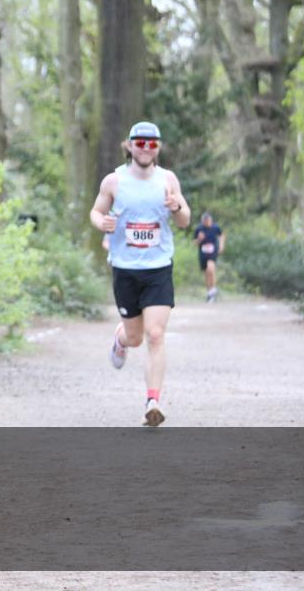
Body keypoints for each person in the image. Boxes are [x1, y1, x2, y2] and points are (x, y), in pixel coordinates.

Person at [89, 121, 190, 426]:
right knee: (135, 337)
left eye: (152, 144)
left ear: (158, 147)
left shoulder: (167, 179)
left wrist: (176, 207)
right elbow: (95, 211)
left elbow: (185, 220)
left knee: (155, 334)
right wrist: (101, 223)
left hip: (158, 268)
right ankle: (120, 340)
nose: (146, 148)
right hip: (125, 268)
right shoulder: (114, 181)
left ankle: (153, 402)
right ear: (129, 145)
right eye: (140, 143)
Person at [193, 212, 225, 302]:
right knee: (206, 273)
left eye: (209, 221)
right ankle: (210, 293)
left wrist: (221, 245)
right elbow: (194, 242)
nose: (208, 223)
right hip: (203, 252)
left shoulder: (215, 227)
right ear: (203, 221)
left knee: (211, 269)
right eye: (206, 221)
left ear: (211, 220)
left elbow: (221, 235)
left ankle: (213, 289)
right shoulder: (199, 229)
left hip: (213, 251)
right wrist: (199, 239)